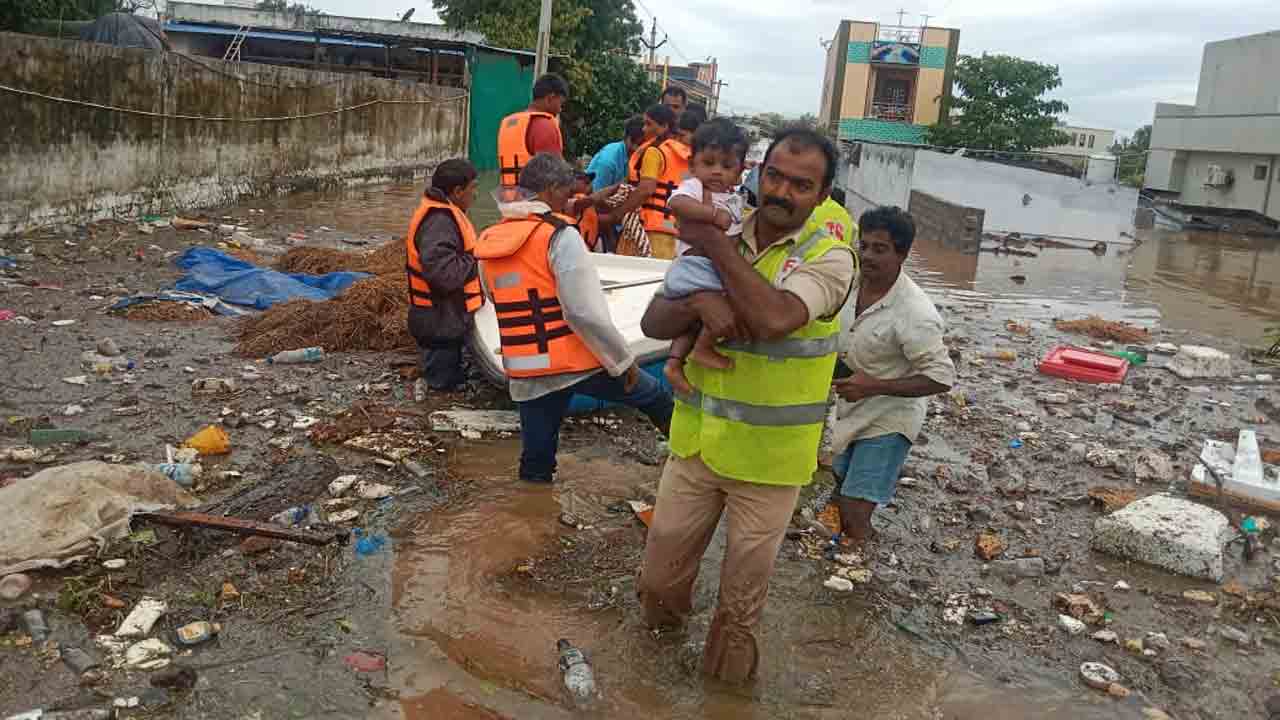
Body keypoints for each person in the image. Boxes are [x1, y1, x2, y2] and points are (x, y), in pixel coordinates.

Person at [636, 129, 856, 683]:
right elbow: (653, 324)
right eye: (775, 175)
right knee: (658, 586)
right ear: (759, 171)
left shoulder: (831, 259)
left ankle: (725, 700)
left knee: (737, 614)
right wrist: (702, 298)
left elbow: (775, 319)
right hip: (695, 446)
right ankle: (652, 682)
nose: (782, 191)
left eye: (801, 184)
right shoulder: (728, 225)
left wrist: (711, 251)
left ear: (824, 191)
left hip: (768, 464)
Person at [472, 153, 674, 484]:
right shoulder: (559, 236)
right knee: (655, 397)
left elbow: (496, 298)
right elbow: (583, 313)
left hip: (526, 372)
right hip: (574, 365)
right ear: (550, 189)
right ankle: (687, 469)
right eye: (567, 190)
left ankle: (529, 519)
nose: (572, 198)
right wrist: (623, 363)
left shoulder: (492, 240)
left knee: (536, 462)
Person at [828, 206, 955, 548]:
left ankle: (861, 568)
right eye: (863, 245)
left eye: (879, 249)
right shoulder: (847, 283)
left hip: (890, 416)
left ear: (903, 253)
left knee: (855, 508)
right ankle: (852, 551)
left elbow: (942, 377)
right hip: (846, 407)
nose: (867, 256)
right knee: (838, 491)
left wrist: (875, 386)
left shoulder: (915, 312)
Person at [660, 118, 749, 393]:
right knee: (729, 300)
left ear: (740, 171)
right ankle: (703, 348)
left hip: (711, 265)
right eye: (708, 163)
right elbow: (675, 203)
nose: (717, 172)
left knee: (696, 319)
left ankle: (674, 363)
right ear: (693, 164)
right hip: (696, 265)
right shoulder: (696, 188)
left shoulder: (736, 198)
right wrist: (711, 214)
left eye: (726, 166)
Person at [404, 159, 483, 391]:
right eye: (473, 188)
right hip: (439, 323)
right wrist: (478, 257)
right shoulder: (439, 221)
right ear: (457, 191)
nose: (475, 195)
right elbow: (444, 275)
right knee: (442, 386)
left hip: (442, 321)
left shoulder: (443, 214)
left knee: (451, 373)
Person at [615, 104, 690, 259]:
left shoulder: (654, 152)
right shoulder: (685, 154)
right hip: (673, 230)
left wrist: (616, 215)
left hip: (649, 232)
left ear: (664, 126)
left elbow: (646, 190)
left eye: (649, 124)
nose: (643, 129)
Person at [497, 73, 568, 186]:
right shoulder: (545, 125)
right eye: (560, 103)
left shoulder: (508, 123)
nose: (560, 110)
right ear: (550, 98)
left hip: (507, 198)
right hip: (533, 200)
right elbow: (557, 176)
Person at [586, 115, 645, 192]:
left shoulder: (634, 157)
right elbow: (596, 197)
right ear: (628, 139)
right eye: (641, 144)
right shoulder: (609, 161)